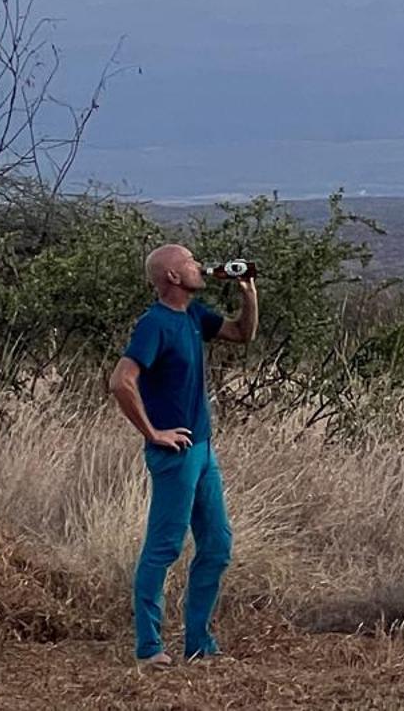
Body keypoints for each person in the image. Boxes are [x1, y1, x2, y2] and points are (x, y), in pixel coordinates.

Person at [107, 244, 259, 667]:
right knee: (165, 547)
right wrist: (153, 433)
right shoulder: (154, 324)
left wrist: (248, 292)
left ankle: (199, 644)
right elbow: (122, 382)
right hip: (175, 453)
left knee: (217, 544)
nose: (199, 266)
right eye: (190, 262)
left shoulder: (193, 315)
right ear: (172, 277)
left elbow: (241, 334)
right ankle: (149, 648)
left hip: (204, 450)